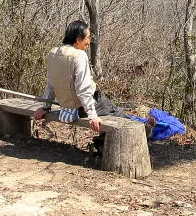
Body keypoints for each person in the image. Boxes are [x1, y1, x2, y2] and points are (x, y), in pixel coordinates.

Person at [33, 20, 130, 152]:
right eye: (87, 38)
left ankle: (102, 143)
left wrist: (45, 106)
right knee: (119, 114)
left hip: (66, 105)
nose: (88, 42)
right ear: (78, 40)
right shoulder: (79, 56)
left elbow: (51, 83)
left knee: (111, 108)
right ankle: (104, 145)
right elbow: (83, 90)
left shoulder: (53, 53)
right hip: (81, 108)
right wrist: (92, 115)